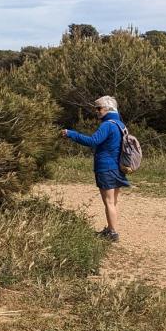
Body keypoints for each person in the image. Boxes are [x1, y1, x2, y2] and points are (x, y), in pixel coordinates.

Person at [61, 95, 129, 242]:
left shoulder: (107, 125)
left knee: (109, 202)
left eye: (99, 108)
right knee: (113, 202)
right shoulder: (120, 125)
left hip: (106, 168)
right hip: (118, 168)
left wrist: (71, 134)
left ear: (108, 108)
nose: (97, 112)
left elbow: (93, 141)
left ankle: (113, 233)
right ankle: (111, 229)